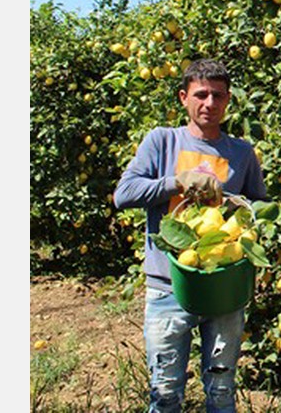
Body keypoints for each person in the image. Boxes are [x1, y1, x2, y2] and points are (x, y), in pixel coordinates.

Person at [114, 59, 267, 413]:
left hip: (224, 287)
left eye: (218, 96)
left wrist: (237, 204)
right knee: (165, 393)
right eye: (201, 95)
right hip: (169, 286)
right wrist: (177, 183)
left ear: (228, 101)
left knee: (222, 391)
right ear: (184, 97)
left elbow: (261, 207)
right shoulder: (162, 141)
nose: (209, 104)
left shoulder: (241, 152)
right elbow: (124, 194)